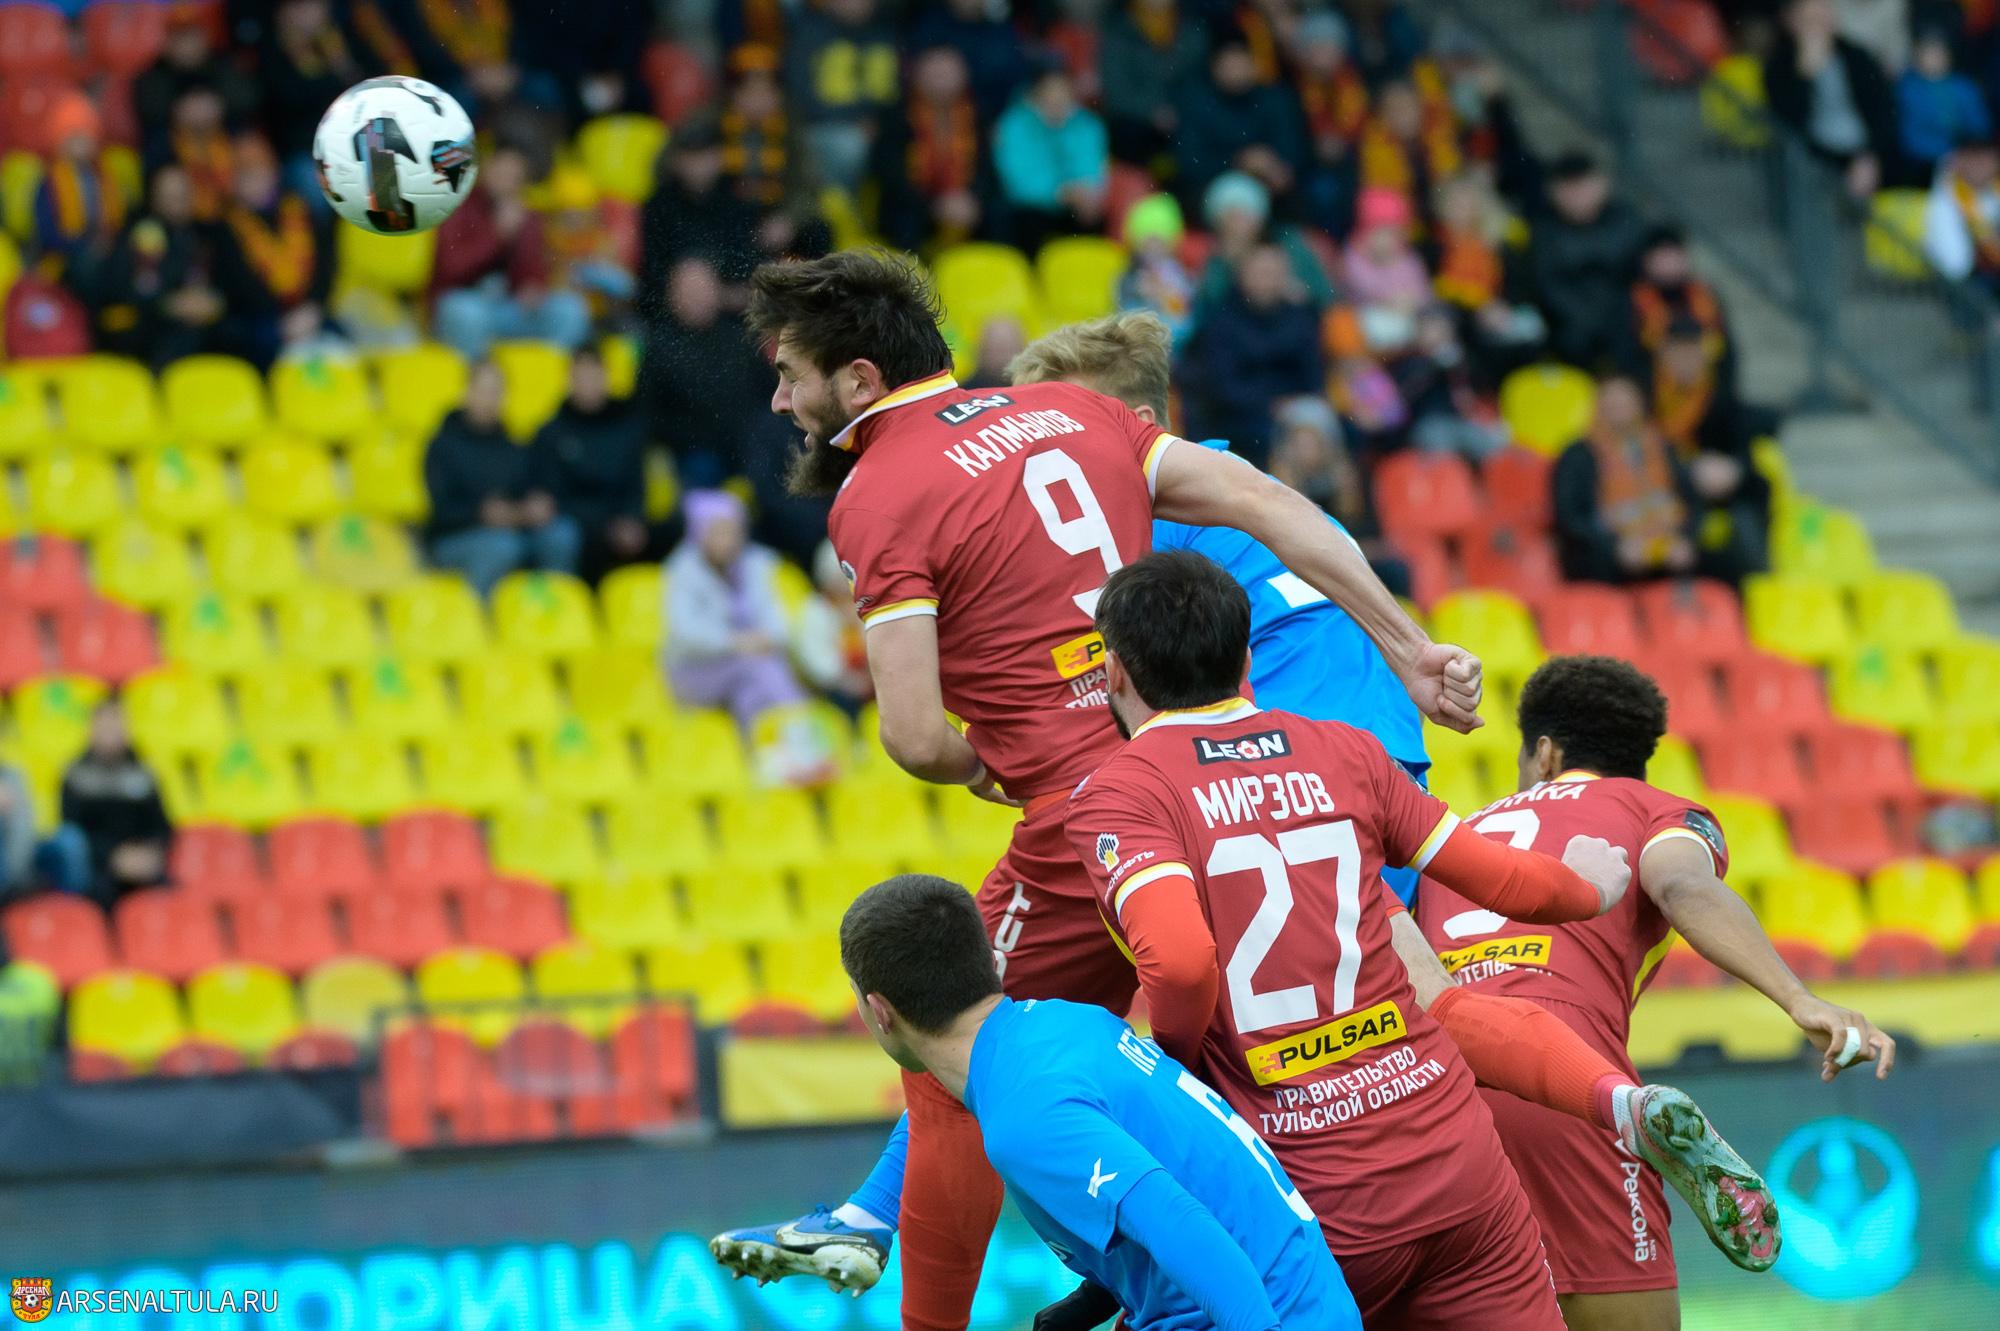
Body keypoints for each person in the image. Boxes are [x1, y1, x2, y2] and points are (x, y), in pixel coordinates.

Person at [708, 251, 1483, 1328]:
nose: (780, 401)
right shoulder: (1076, 415)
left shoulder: (878, 491)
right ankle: (1597, 1103)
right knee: (1370, 1012)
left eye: (790, 375)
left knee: (948, 1042)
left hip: (1096, 821)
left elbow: (914, 735)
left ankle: (900, 1255)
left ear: (859, 379)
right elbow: (1265, 499)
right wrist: (1408, 647)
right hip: (1246, 779)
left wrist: (992, 760)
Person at [1064, 552, 1775, 1329]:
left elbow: (1179, 962)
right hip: (1460, 1166)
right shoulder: (1347, 750)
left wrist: (1180, 1067)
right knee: (1445, 1003)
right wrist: (1590, 888)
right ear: (1245, 661)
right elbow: (1503, 878)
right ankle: (1618, 1102)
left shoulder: (1121, 791)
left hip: (1319, 1193)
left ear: (1115, 671)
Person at [1415, 656, 1894, 1331]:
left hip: (1432, 1086)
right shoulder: (1656, 811)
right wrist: (1799, 999)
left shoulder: (1452, 837)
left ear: (1544, 753)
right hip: (1567, 1075)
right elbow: (1682, 886)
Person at [782, 872, 1366, 1330]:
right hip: (1306, 1295)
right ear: (986, 963)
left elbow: (1179, 1223)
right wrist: (1093, 1299)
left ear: (879, 1012)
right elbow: (1172, 1178)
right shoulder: (1066, 1023)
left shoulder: (1025, 1115)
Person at [423, 359, 580, 596]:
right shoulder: (442, 445)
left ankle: (555, 609)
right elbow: (441, 510)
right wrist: (480, 513)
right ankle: (477, 611)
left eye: (496, 391)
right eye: (483, 390)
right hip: (455, 536)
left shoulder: (514, 445)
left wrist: (535, 505)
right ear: (466, 392)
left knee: (560, 535)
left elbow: (530, 490)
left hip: (513, 529)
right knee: (501, 546)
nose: (489, 399)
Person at [663, 490, 808, 734]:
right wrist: (736, 643)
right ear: (699, 532)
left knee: (750, 695)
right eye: (718, 532)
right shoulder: (682, 569)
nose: (727, 540)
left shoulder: (757, 563)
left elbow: (778, 623)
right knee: (761, 666)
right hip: (693, 671)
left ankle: (763, 751)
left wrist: (765, 639)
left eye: (732, 530)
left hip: (744, 668)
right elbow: (684, 634)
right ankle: (804, 734)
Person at [429, 145, 591, 358]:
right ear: (486, 170)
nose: (506, 182)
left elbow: (536, 271)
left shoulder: (527, 214)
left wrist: (533, 285)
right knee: (465, 312)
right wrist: (497, 235)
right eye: (501, 173)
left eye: (514, 177)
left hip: (511, 308)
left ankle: (545, 372)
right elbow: (451, 269)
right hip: (468, 303)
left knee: (569, 309)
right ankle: (480, 375)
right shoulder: (459, 206)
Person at [1179, 242, 1325, 466]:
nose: (1267, 281)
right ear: (1242, 275)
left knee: (1331, 429)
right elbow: (1223, 386)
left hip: (1296, 410)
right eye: (1261, 273)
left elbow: (1313, 376)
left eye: (1274, 273)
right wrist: (1271, 404)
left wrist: (1289, 403)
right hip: (1240, 417)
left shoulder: (1300, 318)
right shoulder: (1222, 320)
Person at [1553, 374, 1702, 585]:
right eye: (1611, 404)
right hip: (1605, 553)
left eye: (1625, 403)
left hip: (1667, 544)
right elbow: (1570, 518)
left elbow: (1691, 500)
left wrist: (1685, 539)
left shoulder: (1662, 446)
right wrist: (1614, 547)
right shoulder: (1578, 454)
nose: (1619, 410)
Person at [532, 345, 660, 585]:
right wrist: (607, 525)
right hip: (578, 522)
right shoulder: (551, 432)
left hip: (619, 520)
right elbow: (552, 498)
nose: (588, 384)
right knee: (560, 535)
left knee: (669, 529)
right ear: (569, 381)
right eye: (581, 377)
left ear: (606, 378)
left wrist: (632, 518)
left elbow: (635, 484)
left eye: (594, 376)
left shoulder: (628, 428)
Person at [638, 257, 769, 488]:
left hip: (748, 448)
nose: (698, 297)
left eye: (703, 288)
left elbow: (767, 394)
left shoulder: (741, 339)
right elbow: (649, 414)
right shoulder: (659, 348)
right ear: (672, 296)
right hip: (691, 454)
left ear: (717, 291)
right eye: (689, 291)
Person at [1763, 0, 1900, 198]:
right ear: (1792, 22)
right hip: (1816, 160)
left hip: (1864, 153)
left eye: (1822, 19)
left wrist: (1872, 155)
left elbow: (1883, 111)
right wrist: (1804, 77)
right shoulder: (1778, 67)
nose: (1818, 28)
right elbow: (1787, 124)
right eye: (1810, 21)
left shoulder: (1856, 56)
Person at [1528, 152, 1648, 371]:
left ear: (1602, 185)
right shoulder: (1544, 232)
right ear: (1553, 192)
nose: (1577, 198)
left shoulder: (1627, 220)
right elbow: (1548, 286)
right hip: (1570, 337)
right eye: (1569, 190)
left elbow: (1642, 276)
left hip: (1628, 329)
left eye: (1583, 188)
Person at [871, 46, 994, 254]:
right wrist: (934, 205)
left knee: (998, 214)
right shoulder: (897, 115)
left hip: (964, 201)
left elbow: (986, 168)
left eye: (948, 74)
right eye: (935, 75)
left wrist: (972, 197)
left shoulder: (976, 114)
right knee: (904, 218)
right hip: (914, 203)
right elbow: (889, 172)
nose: (942, 82)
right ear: (917, 76)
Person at [1173, 33, 1306, 211]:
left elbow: (1293, 150)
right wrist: (1239, 162)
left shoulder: (1276, 98)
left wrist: (1273, 166)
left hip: (1272, 185)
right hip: (1216, 187)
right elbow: (1190, 163)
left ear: (1254, 64)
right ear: (1214, 68)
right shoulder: (1197, 103)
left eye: (1241, 63)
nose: (1236, 72)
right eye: (1229, 65)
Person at [59, 702, 172, 910]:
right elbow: (72, 832)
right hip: (97, 868)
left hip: (141, 863)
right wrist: (113, 856)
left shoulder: (144, 774)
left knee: (172, 896)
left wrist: (149, 853)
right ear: (91, 731)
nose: (112, 734)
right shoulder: (75, 776)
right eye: (105, 727)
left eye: (117, 727)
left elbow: (161, 826)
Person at [992, 63, 1109, 254]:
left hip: (1074, 206)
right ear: (1035, 94)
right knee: (1024, 218)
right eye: (1050, 92)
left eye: (1063, 92)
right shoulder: (1014, 125)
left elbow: (1093, 170)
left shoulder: (1088, 125)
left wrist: (1083, 192)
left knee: (1091, 215)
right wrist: (1059, 193)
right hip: (1031, 208)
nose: (1057, 99)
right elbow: (1017, 181)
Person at [785, 0, 898, 192]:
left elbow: (894, 94)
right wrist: (854, 120)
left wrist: (876, 121)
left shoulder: (886, 35)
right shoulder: (810, 34)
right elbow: (801, 96)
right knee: (848, 145)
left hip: (879, 127)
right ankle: (836, 207)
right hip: (824, 127)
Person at [1099, 0, 1211, 166]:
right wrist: (1152, 110)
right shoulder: (1118, 29)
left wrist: (1179, 109)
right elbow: (1116, 88)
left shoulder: (1192, 27)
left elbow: (1200, 79)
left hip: (1184, 115)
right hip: (1135, 120)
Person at [793, 540, 873, 719]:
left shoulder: (867, 603)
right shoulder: (815, 609)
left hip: (871, 680)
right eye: (838, 578)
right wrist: (843, 679)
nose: (844, 585)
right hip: (833, 689)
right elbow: (815, 660)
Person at [1896, 26, 1988, 172]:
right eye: (1929, 53)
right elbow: (1910, 135)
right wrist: (1947, 153)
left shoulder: (1964, 86)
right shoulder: (1908, 89)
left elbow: (1980, 125)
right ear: (1916, 56)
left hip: (1967, 155)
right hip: (1924, 162)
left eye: (1939, 52)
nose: (1935, 58)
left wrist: (1970, 149)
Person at [0, 761, 89, 902]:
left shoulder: (9, 775)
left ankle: (73, 908)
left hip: (27, 850)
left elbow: (23, 828)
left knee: (70, 840)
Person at [1922, 133, 2000, 293]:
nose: (1980, 166)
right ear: (1958, 160)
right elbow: (1955, 266)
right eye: (1973, 158)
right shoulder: (1944, 199)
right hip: (1965, 286)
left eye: (1986, 159)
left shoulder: (1994, 191)